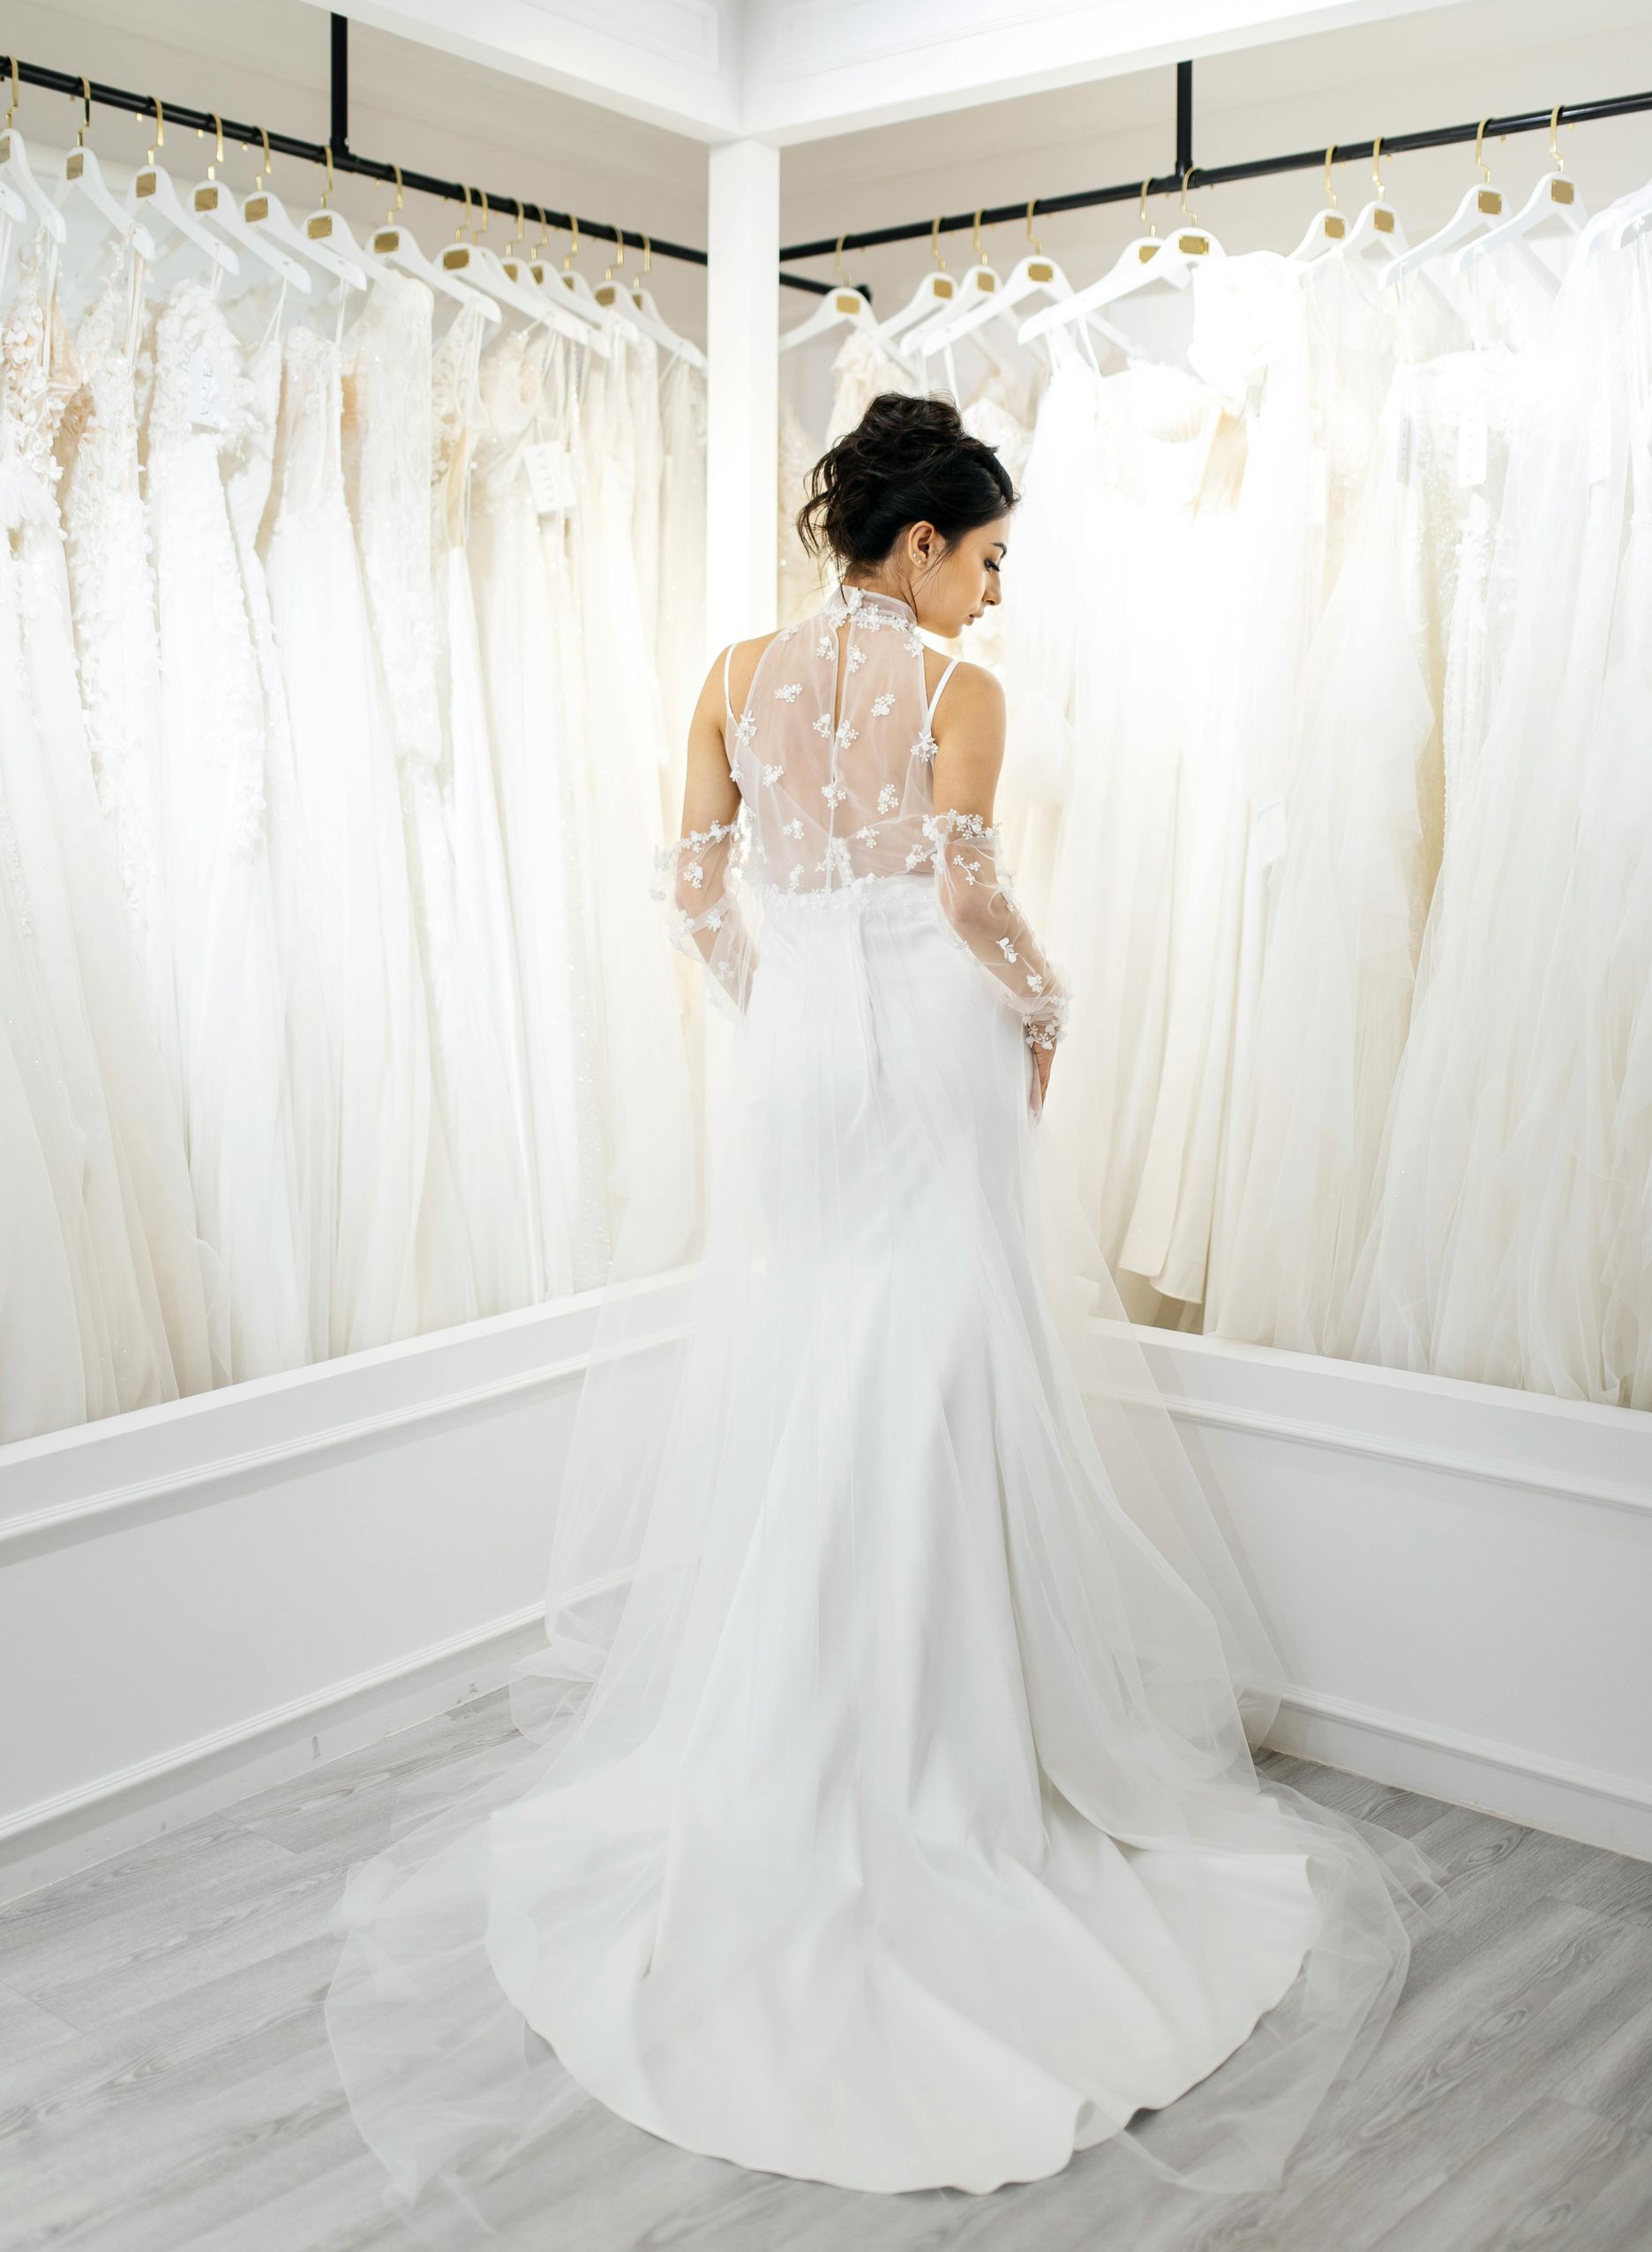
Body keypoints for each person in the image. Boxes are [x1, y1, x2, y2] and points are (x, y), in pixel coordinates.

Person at [328, 395, 1438, 2227]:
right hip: (930, 1052)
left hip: (800, 1068)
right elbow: (970, 890)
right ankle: (938, 1751)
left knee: (814, 1372)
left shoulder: (729, 674)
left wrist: (779, 1007)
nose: (992, 595)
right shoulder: (955, 692)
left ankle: (800, 1736)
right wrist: (1049, 1008)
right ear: (917, 545)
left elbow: (696, 886)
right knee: (936, 1379)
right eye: (985, 558)